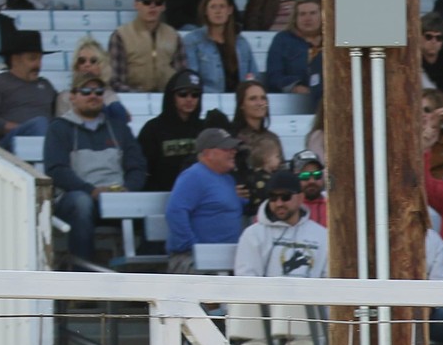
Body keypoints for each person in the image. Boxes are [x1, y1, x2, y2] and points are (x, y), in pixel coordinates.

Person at [44, 69, 147, 265]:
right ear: (72, 96)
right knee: (82, 204)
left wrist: (129, 189)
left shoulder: (119, 128)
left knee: (154, 207)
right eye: (86, 91)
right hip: (74, 198)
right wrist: (90, 190)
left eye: (99, 92)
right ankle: (84, 279)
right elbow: (56, 169)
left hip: (116, 197)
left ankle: (147, 275)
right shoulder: (59, 128)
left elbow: (137, 166)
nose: (93, 96)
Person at [165, 128, 247, 269]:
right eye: (227, 148)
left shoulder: (228, 179)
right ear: (208, 153)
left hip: (229, 259)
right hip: (194, 260)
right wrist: (193, 248)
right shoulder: (193, 176)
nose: (234, 151)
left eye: (234, 148)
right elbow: (175, 212)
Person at [233, 170, 327, 279]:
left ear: (301, 197)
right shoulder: (253, 234)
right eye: (273, 197)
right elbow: (246, 279)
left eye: (285, 197)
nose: (279, 203)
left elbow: (328, 279)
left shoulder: (321, 235)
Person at [0, 29, 58, 151]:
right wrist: (21, 128)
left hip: (46, 138)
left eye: (40, 59)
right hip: (10, 144)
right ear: (15, 60)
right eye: (32, 59)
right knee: (40, 124)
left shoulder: (46, 85)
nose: (38, 65)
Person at [265, 0, 325, 99]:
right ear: (295, 18)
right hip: (294, 99)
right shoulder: (282, 40)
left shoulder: (333, 40)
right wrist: (295, 87)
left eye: (313, 13)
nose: (307, 18)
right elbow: (274, 76)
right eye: (302, 14)